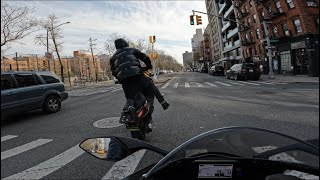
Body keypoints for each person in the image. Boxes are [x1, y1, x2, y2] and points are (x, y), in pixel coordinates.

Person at [110, 38, 169, 124]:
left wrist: (120, 78)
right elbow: (145, 57)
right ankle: (163, 103)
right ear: (126, 43)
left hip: (125, 80)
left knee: (130, 97)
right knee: (151, 87)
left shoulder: (113, 57)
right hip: (137, 75)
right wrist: (148, 66)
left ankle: (129, 108)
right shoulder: (131, 50)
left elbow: (114, 72)